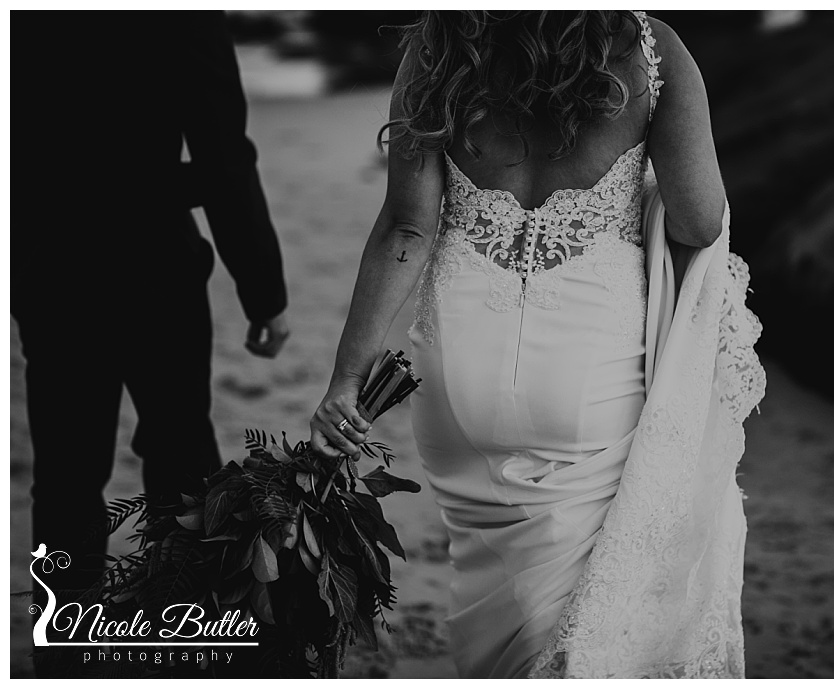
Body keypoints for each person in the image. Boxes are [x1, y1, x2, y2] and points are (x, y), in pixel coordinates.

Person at [310, 10, 763, 678]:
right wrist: (636, 196)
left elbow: (407, 227)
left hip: (458, 370)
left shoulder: (440, 42)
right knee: (579, 627)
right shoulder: (648, 48)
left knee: (493, 592)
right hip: (589, 373)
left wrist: (347, 380)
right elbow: (699, 220)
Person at [12, 11, 289, 598]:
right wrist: (263, 291)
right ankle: (188, 629)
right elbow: (222, 153)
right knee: (181, 454)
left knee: (66, 472)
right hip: (155, 265)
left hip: (51, 267)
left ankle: (64, 637)